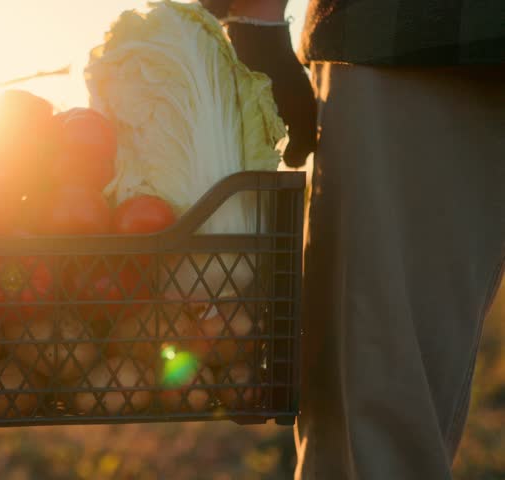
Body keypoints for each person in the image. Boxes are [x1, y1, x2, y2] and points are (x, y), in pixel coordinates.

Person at [201, 0, 505, 478]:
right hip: (427, 39)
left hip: (417, 39)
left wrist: (254, 19)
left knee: (375, 429)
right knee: (378, 418)